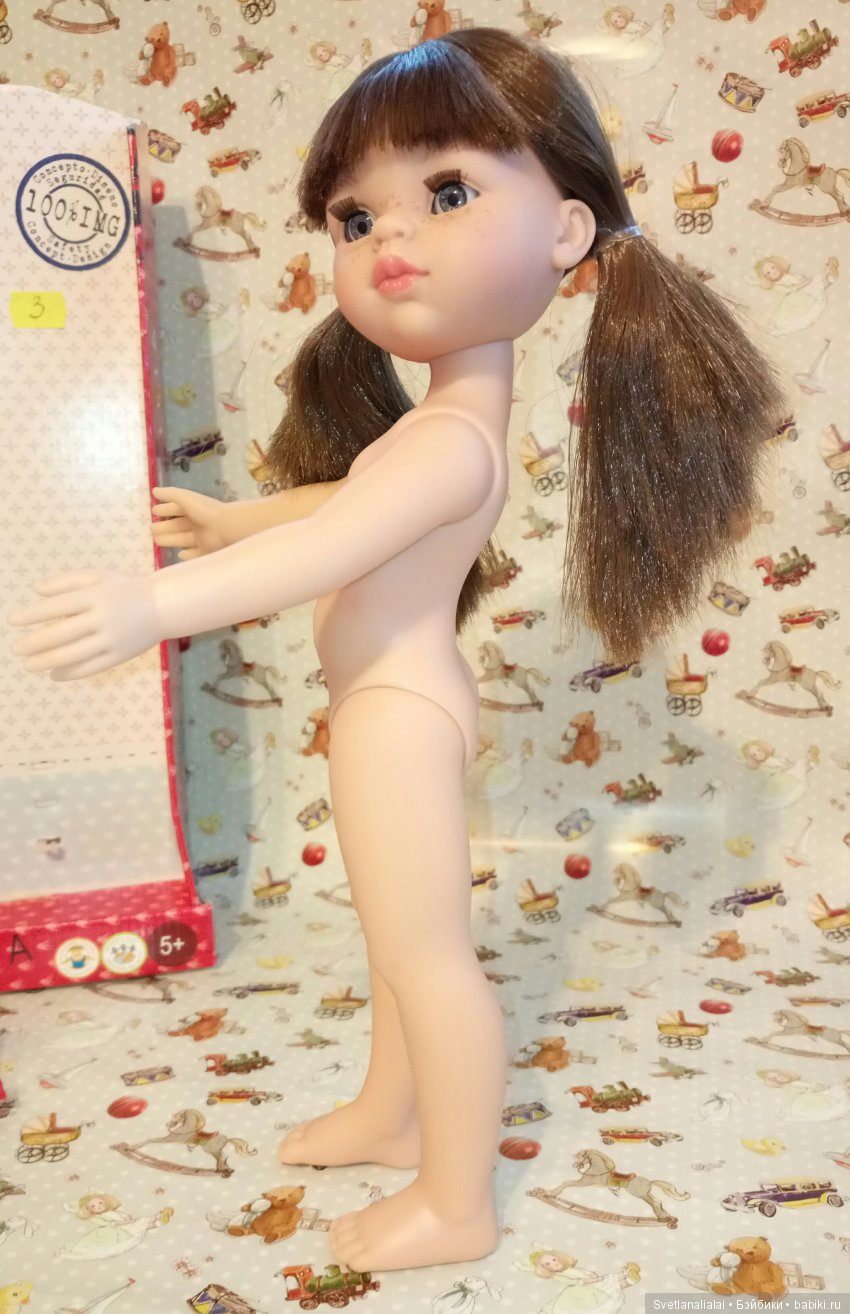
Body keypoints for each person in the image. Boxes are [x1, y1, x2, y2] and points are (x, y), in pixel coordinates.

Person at [7, 29, 785, 1272]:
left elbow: (334, 547)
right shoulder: (436, 428)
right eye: (354, 218)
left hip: (397, 711)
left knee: (428, 958)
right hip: (388, 701)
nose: (388, 240)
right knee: (393, 942)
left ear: (566, 232)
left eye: (449, 191)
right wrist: (233, 521)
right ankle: (391, 1109)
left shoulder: (449, 444)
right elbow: (344, 510)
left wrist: (154, 605)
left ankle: (454, 1201)